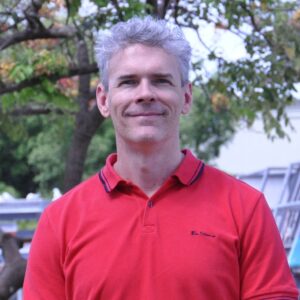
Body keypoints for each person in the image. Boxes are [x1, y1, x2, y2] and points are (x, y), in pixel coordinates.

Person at [23, 16, 298, 299]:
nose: (145, 94)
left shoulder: (245, 208)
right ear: (104, 100)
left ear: (187, 97)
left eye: (161, 81)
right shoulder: (59, 222)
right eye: (129, 82)